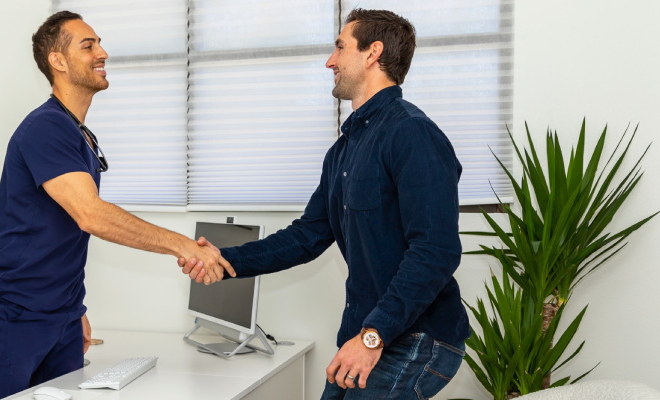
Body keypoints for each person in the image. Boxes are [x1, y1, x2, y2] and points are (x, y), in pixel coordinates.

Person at [182, 9, 469, 400]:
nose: (330, 61)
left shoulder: (411, 134)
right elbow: (306, 236)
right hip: (370, 331)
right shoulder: (343, 152)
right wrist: (225, 259)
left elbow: (436, 251)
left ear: (373, 53)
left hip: (415, 336)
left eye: (339, 48)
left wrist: (372, 337)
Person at [0, 11, 234, 400]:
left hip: (61, 319)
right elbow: (89, 214)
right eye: (88, 45)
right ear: (57, 62)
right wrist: (181, 244)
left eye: (100, 43)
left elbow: (60, 233)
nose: (102, 53)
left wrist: (73, 310)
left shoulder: (77, 132)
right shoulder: (45, 127)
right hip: (16, 319)